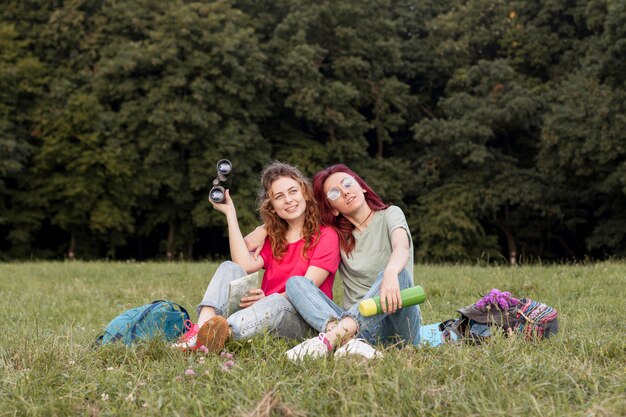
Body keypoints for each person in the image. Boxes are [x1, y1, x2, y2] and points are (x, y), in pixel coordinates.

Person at [172, 161, 340, 352]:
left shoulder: (326, 236)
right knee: (230, 267)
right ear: (273, 206)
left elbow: (306, 289)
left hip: (302, 319)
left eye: (293, 191)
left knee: (277, 301)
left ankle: (221, 334)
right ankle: (201, 331)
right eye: (279, 196)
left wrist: (265, 300)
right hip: (261, 314)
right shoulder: (274, 237)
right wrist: (230, 214)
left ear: (305, 193)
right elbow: (242, 263)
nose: (288, 200)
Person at [283, 164, 421, 360]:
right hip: (362, 332)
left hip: (400, 324)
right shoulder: (336, 238)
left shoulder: (391, 214)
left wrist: (390, 272)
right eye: (334, 193)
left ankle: (330, 339)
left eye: (348, 183)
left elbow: (401, 247)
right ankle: (348, 342)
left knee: (399, 274)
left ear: (362, 187)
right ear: (334, 209)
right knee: (295, 283)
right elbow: (298, 222)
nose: (345, 192)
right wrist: (262, 229)